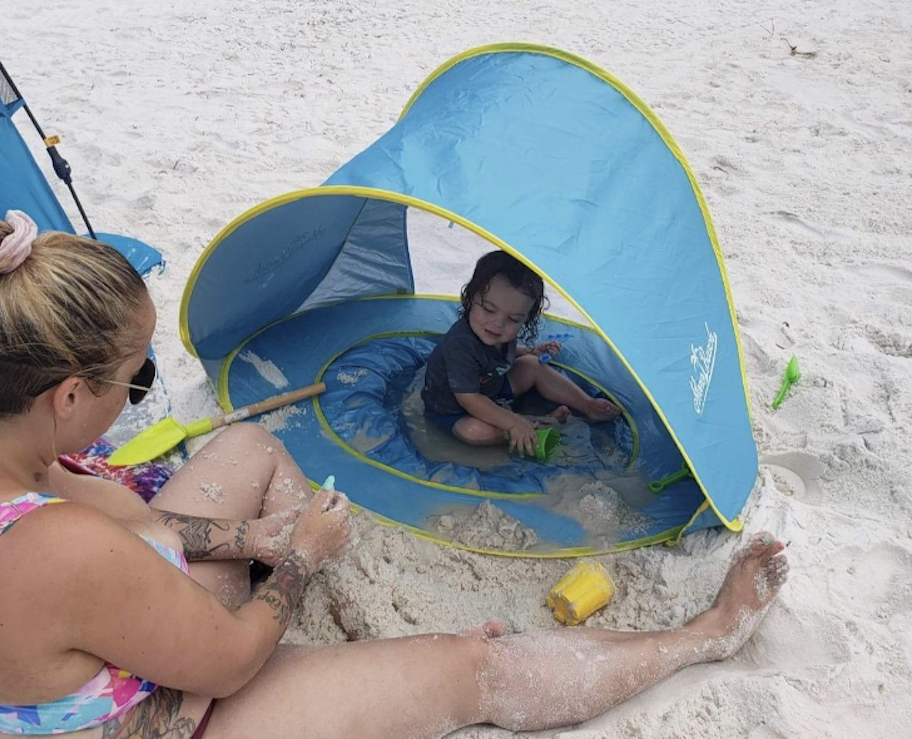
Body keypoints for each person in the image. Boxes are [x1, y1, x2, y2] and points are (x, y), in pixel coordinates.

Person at [0, 211, 790, 739]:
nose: (143, 396)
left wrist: (251, 536)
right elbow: (231, 657)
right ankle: (704, 635)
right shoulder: (59, 546)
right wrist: (301, 553)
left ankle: (340, 627)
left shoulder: (29, 469)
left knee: (245, 447)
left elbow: (141, 530)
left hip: (116, 621)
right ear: (68, 394)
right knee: (478, 667)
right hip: (166, 714)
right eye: (135, 382)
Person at [422, 250, 622, 457]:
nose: (498, 323)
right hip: (455, 410)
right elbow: (469, 399)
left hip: (493, 387)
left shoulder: (497, 332)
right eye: (489, 310)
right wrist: (514, 423)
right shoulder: (460, 345)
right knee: (475, 432)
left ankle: (587, 405)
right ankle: (536, 425)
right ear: (471, 298)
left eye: (514, 319)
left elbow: (500, 353)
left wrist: (531, 351)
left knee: (533, 365)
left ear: (525, 319)